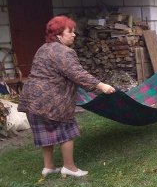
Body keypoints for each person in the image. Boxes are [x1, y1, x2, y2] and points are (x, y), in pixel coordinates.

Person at [18, 16, 115, 178]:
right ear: (58, 36)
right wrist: (101, 85)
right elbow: (77, 74)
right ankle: (69, 167)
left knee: (45, 133)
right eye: (70, 32)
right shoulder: (64, 52)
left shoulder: (43, 48)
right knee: (67, 132)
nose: (74, 35)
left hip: (31, 99)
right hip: (51, 101)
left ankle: (48, 167)